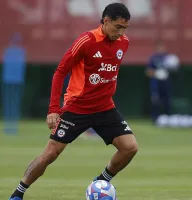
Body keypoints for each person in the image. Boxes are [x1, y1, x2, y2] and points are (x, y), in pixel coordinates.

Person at [9, 3, 138, 200]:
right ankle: (18, 193)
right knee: (50, 154)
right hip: (77, 109)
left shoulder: (124, 43)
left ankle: (100, 182)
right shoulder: (86, 41)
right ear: (105, 21)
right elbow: (60, 72)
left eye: (125, 28)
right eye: (117, 27)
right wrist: (53, 109)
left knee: (130, 148)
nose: (121, 33)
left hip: (105, 107)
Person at [1, 32, 26, 134]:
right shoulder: (19, 52)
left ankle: (11, 127)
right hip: (13, 80)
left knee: (11, 104)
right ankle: (11, 127)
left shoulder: (10, 52)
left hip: (11, 80)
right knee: (11, 104)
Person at [146, 40, 175, 122]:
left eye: (162, 47)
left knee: (167, 101)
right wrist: (157, 73)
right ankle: (155, 119)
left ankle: (168, 119)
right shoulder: (153, 58)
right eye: (159, 47)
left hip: (166, 83)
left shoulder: (168, 58)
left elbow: (174, 68)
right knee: (156, 101)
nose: (161, 49)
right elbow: (148, 71)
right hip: (156, 83)